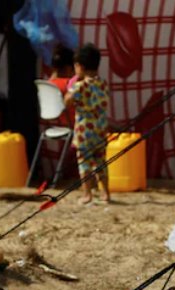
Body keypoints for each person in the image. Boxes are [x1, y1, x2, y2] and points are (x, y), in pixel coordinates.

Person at [64, 43, 110, 204]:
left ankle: (87, 194)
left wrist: (72, 86)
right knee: (101, 161)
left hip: (84, 131)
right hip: (100, 129)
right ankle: (105, 193)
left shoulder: (79, 86)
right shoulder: (103, 84)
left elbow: (67, 102)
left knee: (84, 162)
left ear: (80, 66)